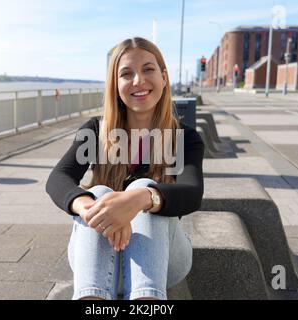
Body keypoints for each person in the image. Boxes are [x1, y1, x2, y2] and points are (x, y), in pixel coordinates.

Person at [45, 37, 204, 300]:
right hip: (100, 257)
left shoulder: (184, 138)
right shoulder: (95, 131)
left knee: (143, 187)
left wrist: (140, 199)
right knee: (98, 193)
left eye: (148, 69)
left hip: (163, 262)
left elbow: (192, 192)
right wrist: (96, 211)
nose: (138, 81)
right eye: (126, 74)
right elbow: (58, 179)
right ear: (115, 85)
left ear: (164, 77)